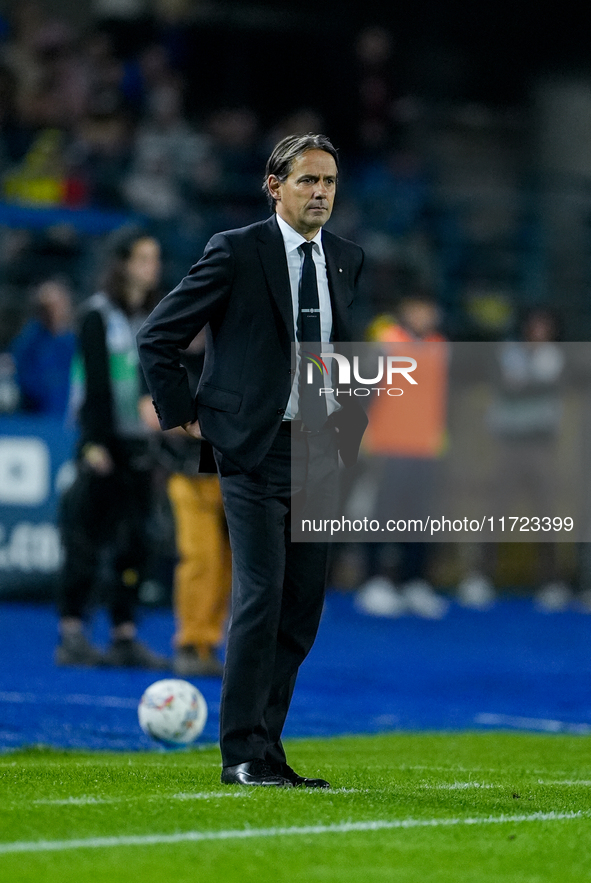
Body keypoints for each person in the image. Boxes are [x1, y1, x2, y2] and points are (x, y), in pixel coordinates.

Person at [137, 133, 367, 788]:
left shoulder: (347, 259)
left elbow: (346, 354)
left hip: (318, 453)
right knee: (262, 594)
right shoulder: (236, 250)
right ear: (274, 186)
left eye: (328, 181)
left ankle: (267, 751)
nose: (320, 192)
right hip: (252, 449)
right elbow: (159, 334)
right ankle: (239, 753)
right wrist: (183, 413)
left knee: (300, 606)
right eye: (306, 181)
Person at [56, 230, 169, 669]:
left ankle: (124, 633)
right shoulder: (96, 316)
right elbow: (96, 386)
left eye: (154, 258)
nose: (151, 267)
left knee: (137, 542)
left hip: (141, 446)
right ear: (122, 263)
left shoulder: (155, 315)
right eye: (143, 258)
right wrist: (94, 443)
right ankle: (71, 632)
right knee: (86, 539)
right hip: (103, 443)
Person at [10, 279, 76, 418]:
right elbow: (24, 378)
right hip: (35, 418)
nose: (53, 312)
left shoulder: (72, 341)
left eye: (57, 305)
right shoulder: (29, 341)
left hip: (68, 416)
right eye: (47, 307)